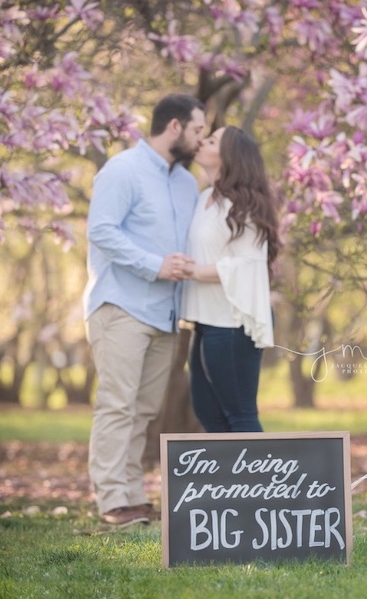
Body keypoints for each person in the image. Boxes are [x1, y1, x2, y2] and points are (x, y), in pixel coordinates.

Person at [83, 93, 206, 527]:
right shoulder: (122, 170)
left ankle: (131, 495)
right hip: (122, 306)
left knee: (146, 409)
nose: (200, 139)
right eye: (197, 130)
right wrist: (155, 265)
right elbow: (101, 231)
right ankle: (113, 498)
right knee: (118, 404)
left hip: (166, 316)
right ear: (174, 127)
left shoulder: (186, 183)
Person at [181, 126, 281, 432]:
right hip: (205, 322)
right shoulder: (204, 199)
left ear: (228, 157)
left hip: (233, 326)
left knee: (240, 415)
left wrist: (194, 270)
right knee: (209, 414)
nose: (202, 141)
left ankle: (265, 481)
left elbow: (247, 266)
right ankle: (232, 481)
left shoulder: (246, 207)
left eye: (211, 140)